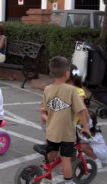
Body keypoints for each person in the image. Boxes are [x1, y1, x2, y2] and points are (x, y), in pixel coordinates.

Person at [40, 56, 90, 184]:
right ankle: (68, 182)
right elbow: (82, 110)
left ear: (52, 72)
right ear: (67, 72)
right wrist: (85, 127)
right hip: (67, 133)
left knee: (52, 153)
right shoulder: (72, 90)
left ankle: (46, 172)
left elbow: (45, 109)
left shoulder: (47, 89)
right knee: (66, 158)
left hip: (51, 130)